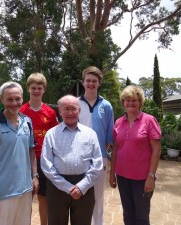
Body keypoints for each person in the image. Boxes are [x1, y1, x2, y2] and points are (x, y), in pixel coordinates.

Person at [0, 81, 39, 225]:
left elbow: (31, 149)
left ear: (22, 99)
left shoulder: (27, 122)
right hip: (1, 193)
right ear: (2, 100)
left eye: (17, 99)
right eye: (9, 99)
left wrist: (34, 176)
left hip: (25, 190)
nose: (14, 103)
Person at [41, 95, 103, 225]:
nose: (70, 113)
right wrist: (67, 187)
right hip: (56, 186)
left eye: (73, 109)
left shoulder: (90, 134)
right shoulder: (51, 134)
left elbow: (97, 164)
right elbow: (46, 165)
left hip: (84, 185)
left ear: (79, 110)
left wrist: (82, 186)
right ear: (60, 111)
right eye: (66, 109)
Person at [109, 85, 162, 225]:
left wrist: (151, 176)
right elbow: (115, 149)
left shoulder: (149, 120)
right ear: (123, 102)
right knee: (128, 213)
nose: (130, 103)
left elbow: (157, 150)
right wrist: (111, 173)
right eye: (127, 100)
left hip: (142, 178)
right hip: (122, 176)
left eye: (134, 100)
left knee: (142, 216)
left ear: (140, 102)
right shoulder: (119, 122)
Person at [20, 72, 58, 225]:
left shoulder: (50, 113)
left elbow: (55, 137)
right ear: (28, 89)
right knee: (25, 198)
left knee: (44, 198)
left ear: (44, 90)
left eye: (39, 88)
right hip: (24, 159)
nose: (36, 91)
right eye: (33, 88)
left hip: (44, 159)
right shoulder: (21, 111)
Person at [78, 66, 114, 225]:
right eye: (88, 80)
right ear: (83, 82)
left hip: (100, 158)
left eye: (94, 81)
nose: (91, 84)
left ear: (99, 83)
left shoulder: (106, 105)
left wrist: (101, 155)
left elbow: (109, 134)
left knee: (98, 196)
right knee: (81, 192)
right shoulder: (76, 103)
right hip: (78, 157)